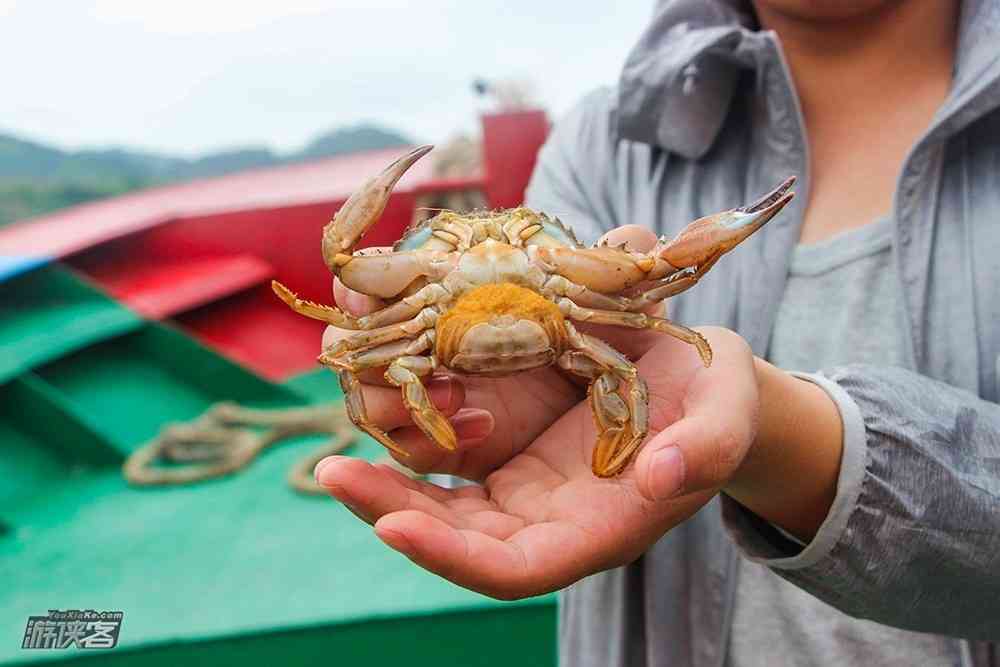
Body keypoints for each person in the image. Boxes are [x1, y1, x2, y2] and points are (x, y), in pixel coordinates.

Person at [314, 0, 1000, 664]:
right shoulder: (601, 147)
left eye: (519, 232)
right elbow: (349, 294)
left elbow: (651, 280)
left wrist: (789, 438)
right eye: (462, 238)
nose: (494, 241)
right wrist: (494, 415)